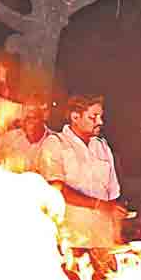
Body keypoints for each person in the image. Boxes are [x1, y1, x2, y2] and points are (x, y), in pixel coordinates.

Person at [56, 94, 130, 250]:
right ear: (75, 117)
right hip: (70, 241)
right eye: (93, 117)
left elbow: (113, 198)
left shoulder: (102, 146)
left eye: (101, 117)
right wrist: (99, 205)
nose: (100, 122)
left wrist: (117, 234)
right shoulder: (56, 144)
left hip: (103, 241)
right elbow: (56, 191)